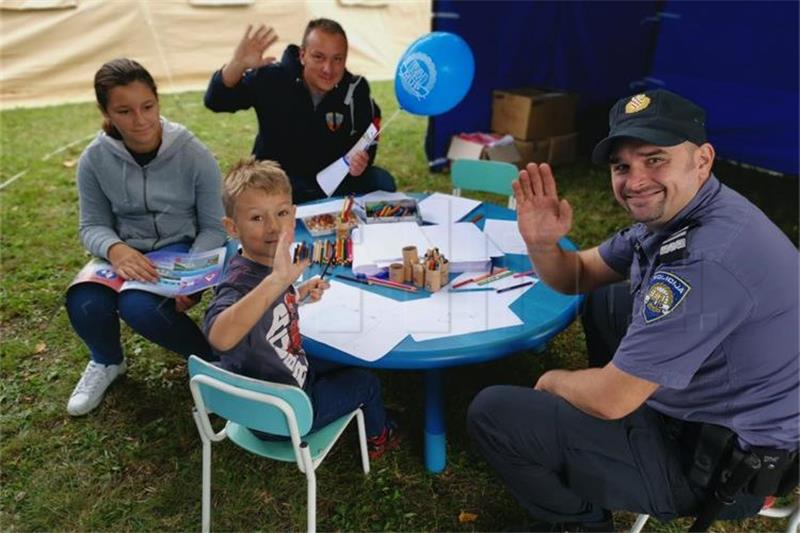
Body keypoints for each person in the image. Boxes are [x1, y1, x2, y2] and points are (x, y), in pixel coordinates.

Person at [467, 89, 799, 530]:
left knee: (494, 413)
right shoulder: (688, 212)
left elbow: (611, 398)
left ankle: (583, 524)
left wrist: (554, 381)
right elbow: (577, 275)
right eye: (622, 166)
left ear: (702, 160)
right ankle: (607, 436)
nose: (635, 180)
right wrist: (542, 243)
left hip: (719, 466)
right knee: (607, 300)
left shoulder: (706, 260)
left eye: (654, 159)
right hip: (718, 415)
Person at [203, 157, 398, 458]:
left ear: (293, 215)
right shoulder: (240, 282)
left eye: (281, 213)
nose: (272, 227)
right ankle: (379, 437)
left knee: (352, 356)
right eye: (257, 218)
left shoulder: (263, 266)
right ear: (232, 227)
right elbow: (220, 337)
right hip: (284, 414)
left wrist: (297, 292)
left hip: (276, 382)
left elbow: (267, 309)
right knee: (366, 381)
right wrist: (278, 281)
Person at [66, 58, 227, 417]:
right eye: (124, 111)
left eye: (148, 107)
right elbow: (91, 225)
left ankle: (215, 364)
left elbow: (215, 226)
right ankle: (107, 362)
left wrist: (191, 273)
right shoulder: (94, 159)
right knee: (85, 301)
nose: (140, 121)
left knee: (141, 308)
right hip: (124, 252)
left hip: (180, 249)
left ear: (157, 101)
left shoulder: (192, 152)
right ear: (106, 112)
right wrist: (115, 248)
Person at [204, 18, 397, 204]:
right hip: (277, 182)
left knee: (382, 182)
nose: (328, 69)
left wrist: (361, 163)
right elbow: (216, 101)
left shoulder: (356, 90)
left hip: (333, 183)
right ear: (302, 55)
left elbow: (368, 137)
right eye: (318, 57)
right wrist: (237, 65)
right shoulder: (273, 78)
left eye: (337, 59)